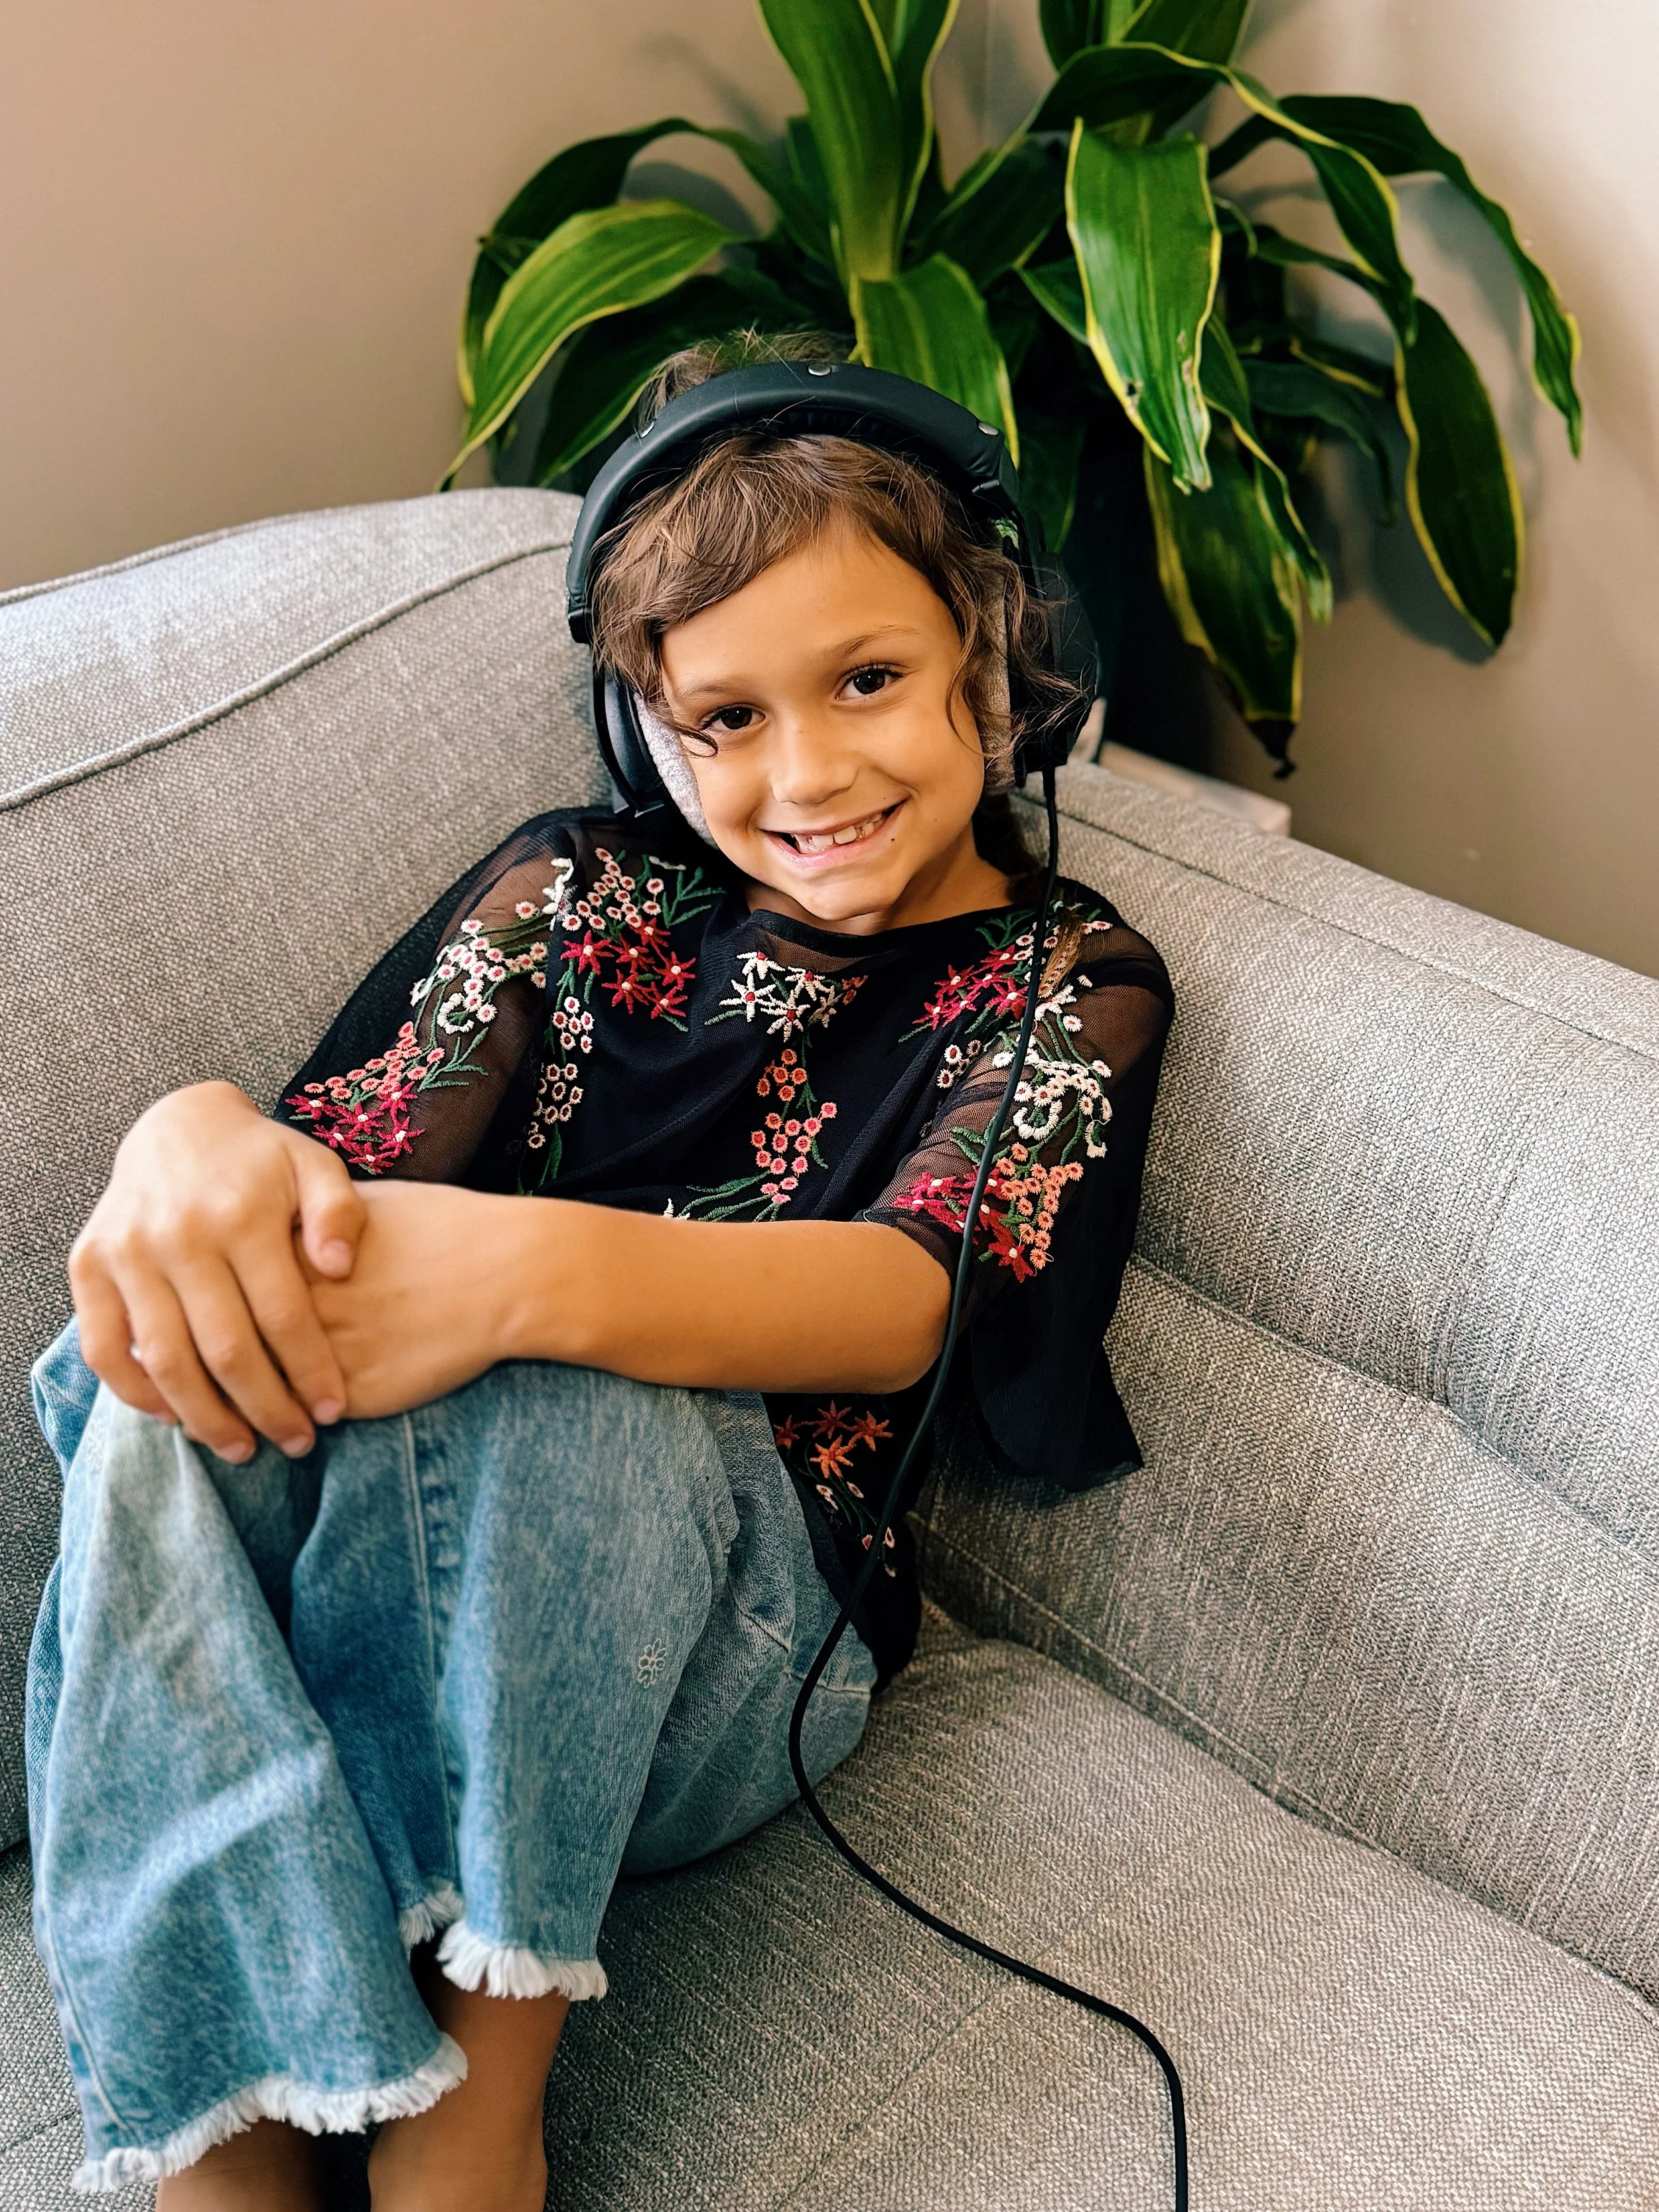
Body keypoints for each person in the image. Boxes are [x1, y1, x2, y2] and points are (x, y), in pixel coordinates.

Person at [25, 341, 1174, 2211]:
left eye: (867, 679)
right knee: (159, 1364)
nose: (804, 771)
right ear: (644, 727)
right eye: (722, 716)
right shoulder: (576, 898)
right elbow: (321, 1185)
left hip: (723, 1668)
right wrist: (191, 1132)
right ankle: (227, 2137)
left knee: (575, 1373)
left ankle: (474, 2110)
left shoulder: (1062, 980)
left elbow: (908, 1300)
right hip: (380, 1605)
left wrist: (521, 1272)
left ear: (995, 653)